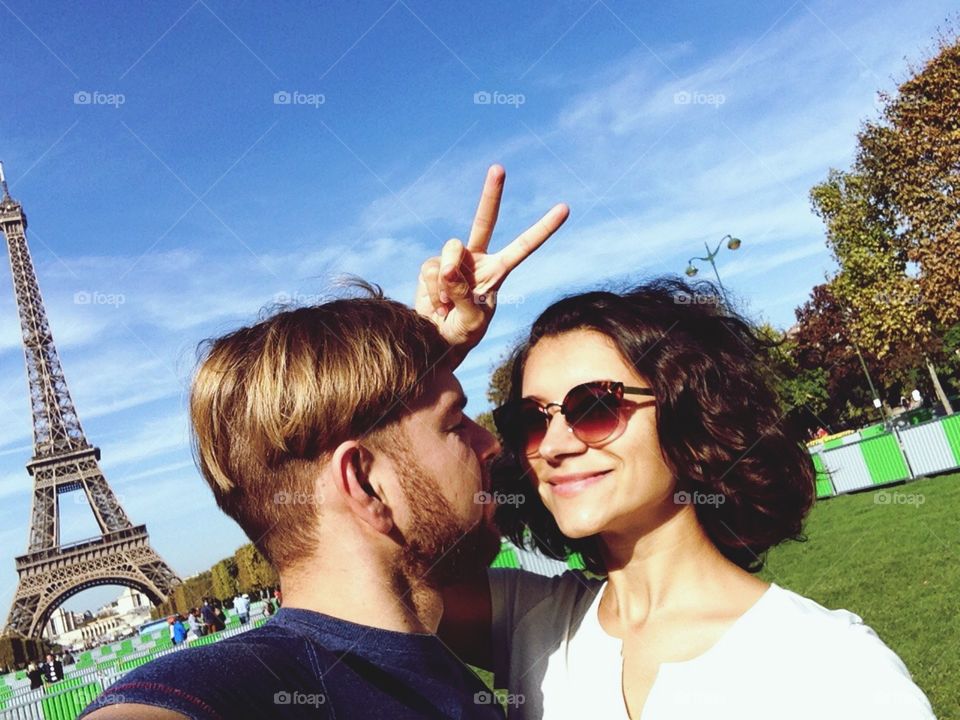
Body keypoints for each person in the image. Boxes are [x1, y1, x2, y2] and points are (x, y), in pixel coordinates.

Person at [79, 165, 568, 720]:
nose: (493, 445)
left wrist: (418, 358)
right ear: (363, 482)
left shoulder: (426, 655)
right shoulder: (242, 687)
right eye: (457, 425)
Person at [425, 270, 936, 718]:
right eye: (531, 419)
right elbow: (366, 553)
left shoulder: (832, 667)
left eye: (594, 407)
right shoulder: (529, 622)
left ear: (686, 413)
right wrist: (426, 352)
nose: (554, 446)